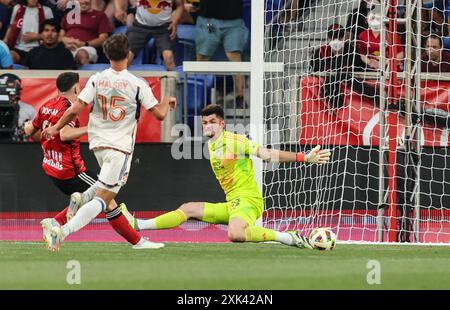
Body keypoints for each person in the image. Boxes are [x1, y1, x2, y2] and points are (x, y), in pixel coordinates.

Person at [121, 104, 331, 248]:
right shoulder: (212, 146)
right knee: (188, 208)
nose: (208, 125)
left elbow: (267, 154)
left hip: (249, 200)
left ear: (222, 124)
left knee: (236, 234)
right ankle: (139, 224)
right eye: (204, 122)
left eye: (212, 121)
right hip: (233, 203)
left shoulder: (235, 140)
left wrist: (304, 157)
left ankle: (289, 238)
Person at [42, 34, 177, 251]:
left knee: (102, 187)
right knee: (104, 198)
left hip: (98, 145)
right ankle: (63, 231)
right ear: (128, 54)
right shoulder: (137, 84)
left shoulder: (96, 79)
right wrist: (167, 101)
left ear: (106, 54)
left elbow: (75, 108)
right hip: (119, 147)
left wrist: (56, 128)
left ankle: (81, 196)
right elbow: (160, 115)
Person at [23, 72, 155, 250]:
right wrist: (92, 128)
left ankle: (55, 221)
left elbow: (29, 130)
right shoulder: (68, 110)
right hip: (71, 171)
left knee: (99, 197)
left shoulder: (47, 104)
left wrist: (44, 140)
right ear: (77, 88)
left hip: (51, 166)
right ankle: (138, 242)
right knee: (108, 201)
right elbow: (64, 134)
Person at [195, 0, 247, 107]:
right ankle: (199, 98)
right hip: (209, 22)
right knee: (202, 57)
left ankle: (240, 98)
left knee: (235, 57)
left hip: (234, 22)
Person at [115, 0, 184, 70]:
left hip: (164, 27)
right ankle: (121, 79)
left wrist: (175, 20)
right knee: (125, 58)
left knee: (168, 57)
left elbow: (180, 5)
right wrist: (119, 9)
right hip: (139, 26)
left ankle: (171, 80)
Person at [59, 0, 111, 65]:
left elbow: (103, 39)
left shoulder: (100, 15)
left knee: (82, 54)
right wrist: (68, 41)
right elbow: (60, 37)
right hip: (68, 47)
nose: (83, 1)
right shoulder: (69, 15)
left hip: (87, 48)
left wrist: (84, 44)